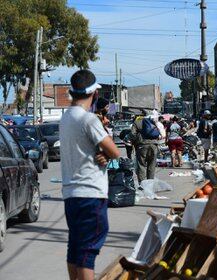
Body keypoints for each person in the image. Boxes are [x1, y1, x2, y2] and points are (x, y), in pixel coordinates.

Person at [59, 70, 120, 280]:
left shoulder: (65, 118)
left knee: (75, 249)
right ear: (94, 94)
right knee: (87, 254)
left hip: (71, 194)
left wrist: (101, 154)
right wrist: (105, 154)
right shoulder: (89, 120)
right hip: (91, 194)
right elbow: (115, 151)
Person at [132, 115, 160, 184]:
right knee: (152, 165)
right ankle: (150, 184)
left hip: (142, 145)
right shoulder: (152, 121)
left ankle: (143, 185)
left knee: (141, 165)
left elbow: (133, 134)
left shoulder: (137, 122)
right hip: (154, 145)